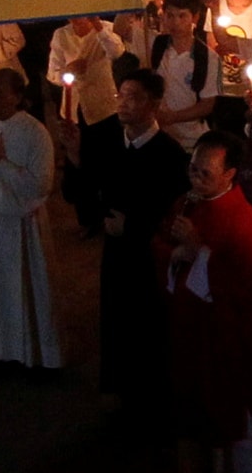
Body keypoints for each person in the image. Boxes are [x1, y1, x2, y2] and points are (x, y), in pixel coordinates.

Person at [164, 130, 252, 473]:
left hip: (231, 338)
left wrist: (196, 250)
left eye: (205, 173)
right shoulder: (188, 203)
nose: (195, 179)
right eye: (192, 170)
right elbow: (161, 243)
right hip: (194, 332)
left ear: (230, 174)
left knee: (236, 417)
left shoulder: (242, 219)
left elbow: (244, 284)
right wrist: (174, 254)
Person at [79, 67, 188, 418]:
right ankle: (124, 392)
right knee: (118, 320)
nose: (123, 104)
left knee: (148, 325)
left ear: (154, 105)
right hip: (116, 254)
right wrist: (72, 157)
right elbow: (90, 192)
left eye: (133, 97)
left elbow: (172, 211)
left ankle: (152, 400)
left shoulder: (170, 154)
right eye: (121, 95)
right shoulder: (110, 141)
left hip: (149, 256)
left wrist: (135, 224)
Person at [0, 66, 61, 374]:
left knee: (29, 297)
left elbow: (41, 184)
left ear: (18, 96)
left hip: (22, 228)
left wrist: (1, 165)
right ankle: (4, 354)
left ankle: (38, 358)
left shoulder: (34, 132)